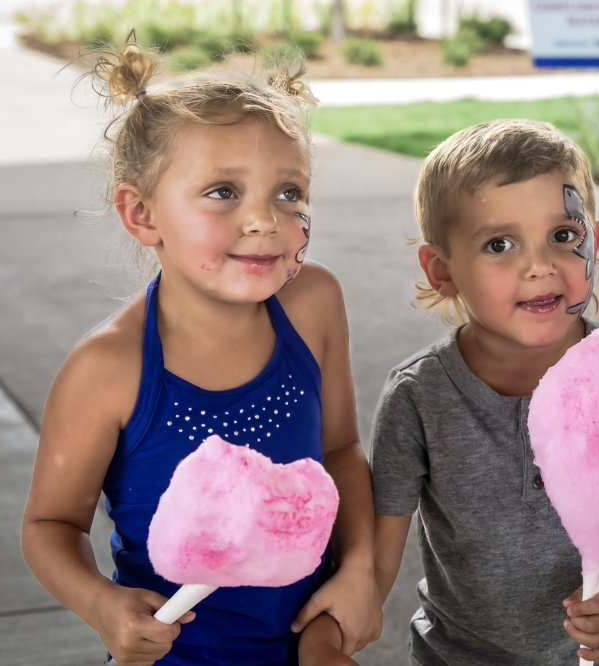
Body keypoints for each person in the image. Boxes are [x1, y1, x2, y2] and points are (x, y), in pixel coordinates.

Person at [20, 39, 378, 666]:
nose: (265, 219)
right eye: (222, 192)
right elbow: (50, 526)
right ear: (142, 213)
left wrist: (360, 571)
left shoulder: (312, 303)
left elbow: (339, 451)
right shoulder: (108, 369)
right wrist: (103, 606)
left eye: (289, 193)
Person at [370, 119, 599, 665]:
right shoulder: (420, 396)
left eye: (563, 236)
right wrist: (340, 624)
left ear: (593, 245)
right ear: (442, 270)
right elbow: (376, 557)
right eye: (499, 244)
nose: (539, 266)